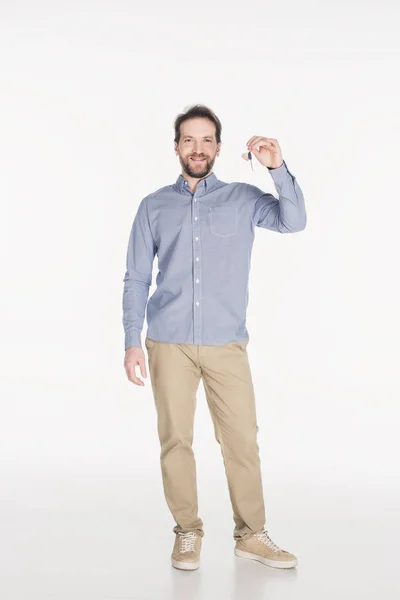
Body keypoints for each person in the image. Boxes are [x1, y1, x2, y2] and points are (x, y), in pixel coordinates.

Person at [122, 104, 307, 571]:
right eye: (189, 140)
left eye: (207, 140)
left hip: (226, 343)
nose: (198, 148)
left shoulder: (245, 198)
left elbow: (293, 220)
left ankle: (251, 535)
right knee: (175, 440)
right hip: (169, 342)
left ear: (219, 148)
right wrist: (131, 340)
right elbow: (136, 279)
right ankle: (187, 532)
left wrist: (277, 168)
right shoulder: (153, 206)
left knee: (242, 439)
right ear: (177, 146)